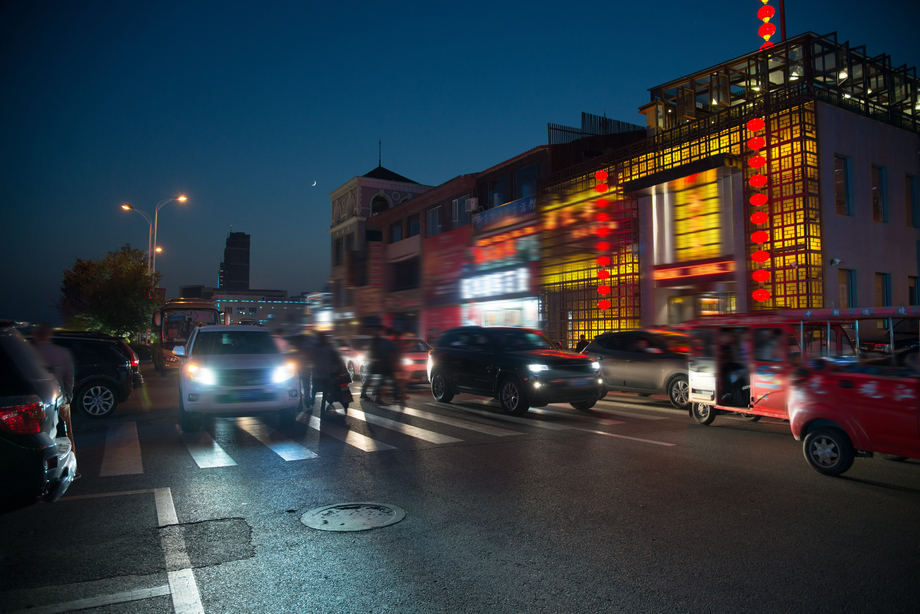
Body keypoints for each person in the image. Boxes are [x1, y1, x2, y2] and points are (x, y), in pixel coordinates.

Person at [32, 323, 76, 453]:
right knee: (66, 435)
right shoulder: (62, 353)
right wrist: (68, 396)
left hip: (38, 402)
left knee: (41, 437)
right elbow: (69, 377)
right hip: (60, 398)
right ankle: (71, 464)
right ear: (49, 335)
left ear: (35, 336)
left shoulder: (31, 354)